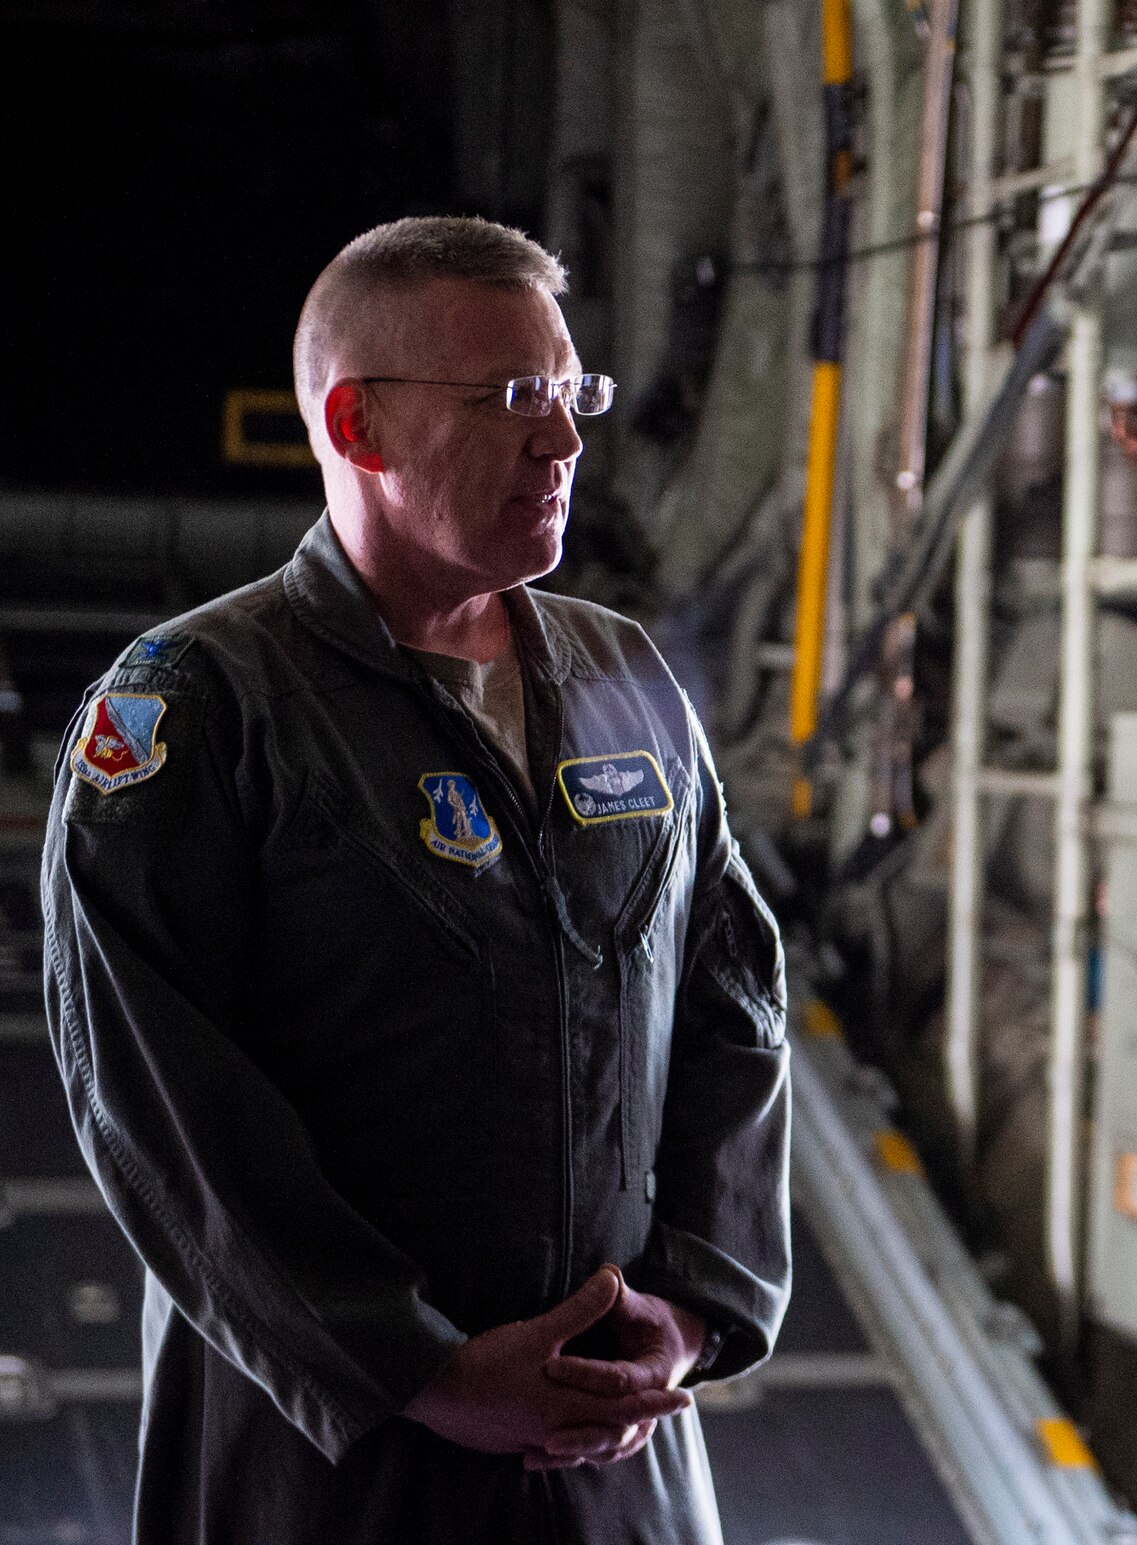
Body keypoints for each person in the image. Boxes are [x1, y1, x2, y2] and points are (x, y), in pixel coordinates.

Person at [41, 216, 791, 1542]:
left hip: (610, 1464)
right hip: (323, 1468)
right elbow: (160, 1105)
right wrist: (417, 1368)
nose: (563, 443)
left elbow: (735, 1000)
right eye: (516, 400)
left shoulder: (624, 678)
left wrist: (695, 1303)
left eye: (574, 396)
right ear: (360, 427)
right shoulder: (197, 706)